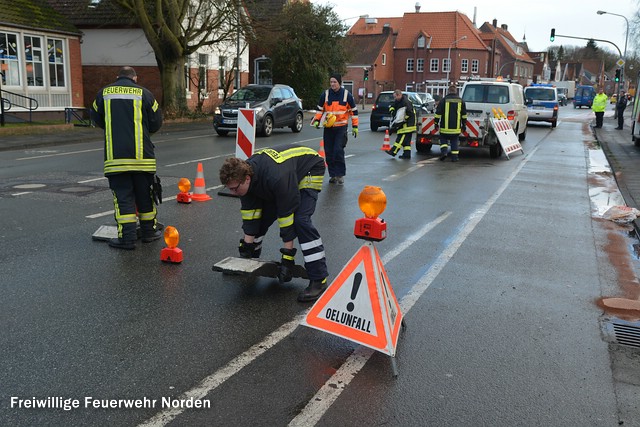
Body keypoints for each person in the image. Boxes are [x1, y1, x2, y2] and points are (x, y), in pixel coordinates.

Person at [219, 146, 329, 302]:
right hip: (284, 175)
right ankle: (252, 256)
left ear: (247, 179)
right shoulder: (246, 176)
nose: (232, 193)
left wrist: (287, 259)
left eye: (235, 189)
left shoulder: (276, 178)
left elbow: (286, 216)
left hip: (309, 169)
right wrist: (245, 255)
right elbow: (251, 216)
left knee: (300, 221)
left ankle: (319, 279)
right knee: (261, 214)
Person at [91, 66, 163, 250]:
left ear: (117, 77)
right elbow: (156, 122)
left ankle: (127, 239)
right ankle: (149, 233)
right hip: (143, 158)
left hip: (116, 159)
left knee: (123, 198)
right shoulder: (145, 94)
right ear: (135, 78)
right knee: (145, 196)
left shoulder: (104, 94)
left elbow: (96, 118)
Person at [311, 73, 359, 185]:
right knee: (329, 152)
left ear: (339, 83)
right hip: (328, 128)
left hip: (341, 128)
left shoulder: (347, 95)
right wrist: (317, 120)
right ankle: (332, 175)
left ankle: (340, 175)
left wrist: (355, 126)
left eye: (334, 82)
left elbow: (354, 111)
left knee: (338, 150)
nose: (332, 84)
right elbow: (319, 110)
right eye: (331, 82)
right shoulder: (325, 95)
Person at [434, 85, 467, 162]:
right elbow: (464, 114)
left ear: (448, 91)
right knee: (454, 141)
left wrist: (436, 123)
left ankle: (444, 152)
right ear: (456, 91)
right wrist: (464, 125)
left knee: (443, 140)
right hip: (456, 128)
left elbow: (438, 113)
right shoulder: (461, 101)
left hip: (444, 128)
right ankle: (454, 157)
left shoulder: (443, 100)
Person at [385, 89, 416, 159]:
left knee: (400, 139)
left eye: (395, 97)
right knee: (407, 142)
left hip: (407, 125)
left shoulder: (405, 102)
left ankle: (393, 152)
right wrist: (392, 110)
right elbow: (393, 105)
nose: (394, 98)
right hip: (407, 124)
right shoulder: (398, 101)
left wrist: (403, 119)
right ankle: (406, 154)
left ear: (399, 95)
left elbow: (409, 113)